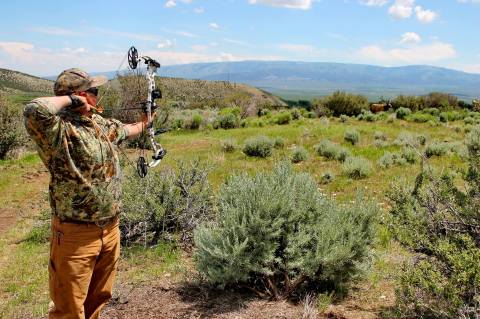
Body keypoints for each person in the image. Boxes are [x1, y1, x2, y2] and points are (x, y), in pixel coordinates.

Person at [23, 68, 149, 319]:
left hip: (110, 229)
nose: (97, 96)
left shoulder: (97, 123)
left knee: (98, 300)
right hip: (75, 235)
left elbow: (124, 130)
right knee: (69, 310)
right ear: (79, 95)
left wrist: (147, 120)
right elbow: (33, 109)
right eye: (93, 91)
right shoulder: (58, 131)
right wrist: (71, 101)